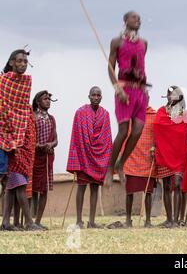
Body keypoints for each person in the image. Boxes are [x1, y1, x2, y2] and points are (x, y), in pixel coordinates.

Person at [105, 11, 149, 188]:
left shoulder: (144, 43)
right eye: (134, 17)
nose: (137, 20)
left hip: (140, 91)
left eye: (139, 18)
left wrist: (144, 88)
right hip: (124, 90)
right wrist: (118, 89)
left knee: (138, 130)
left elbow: (141, 67)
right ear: (125, 21)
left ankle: (121, 163)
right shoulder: (117, 42)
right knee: (123, 131)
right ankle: (110, 168)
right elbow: (110, 67)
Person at [0, 49, 43, 231]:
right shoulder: (3, 82)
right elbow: (3, 109)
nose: (23, 64)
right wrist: (11, 135)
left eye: (25, 61)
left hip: (22, 139)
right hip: (6, 136)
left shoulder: (25, 83)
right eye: (19, 61)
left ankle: (5, 222)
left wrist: (22, 134)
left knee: (12, 183)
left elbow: (22, 110)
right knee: (17, 182)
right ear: (11, 62)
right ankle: (29, 222)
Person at [67, 87, 113, 228]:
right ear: (89, 96)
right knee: (81, 187)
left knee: (94, 189)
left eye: (98, 95)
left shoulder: (105, 114)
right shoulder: (80, 113)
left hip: (99, 159)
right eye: (93, 95)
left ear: (101, 97)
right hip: (84, 157)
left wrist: (107, 159)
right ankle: (79, 220)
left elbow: (107, 138)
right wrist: (79, 156)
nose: (96, 97)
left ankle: (91, 221)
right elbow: (76, 136)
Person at [153, 86, 187, 228]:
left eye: (173, 94)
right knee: (167, 186)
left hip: (179, 154)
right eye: (168, 95)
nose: (170, 97)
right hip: (164, 153)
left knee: (178, 185)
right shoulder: (162, 111)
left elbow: (186, 133)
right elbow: (157, 127)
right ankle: (169, 219)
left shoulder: (186, 114)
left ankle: (175, 219)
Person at [123, 105, 157, 228]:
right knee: (129, 192)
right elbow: (125, 135)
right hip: (132, 157)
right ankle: (128, 220)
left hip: (148, 158)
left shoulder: (154, 116)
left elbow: (158, 134)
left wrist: (155, 147)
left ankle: (147, 220)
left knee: (148, 192)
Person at [31, 91, 58, 230]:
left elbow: (56, 140)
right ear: (37, 102)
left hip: (48, 158)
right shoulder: (33, 117)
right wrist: (41, 146)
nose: (48, 101)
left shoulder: (52, 119)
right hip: (35, 158)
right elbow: (30, 140)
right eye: (45, 99)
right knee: (32, 189)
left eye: (49, 99)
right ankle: (30, 221)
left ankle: (38, 221)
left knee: (44, 190)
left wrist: (51, 145)